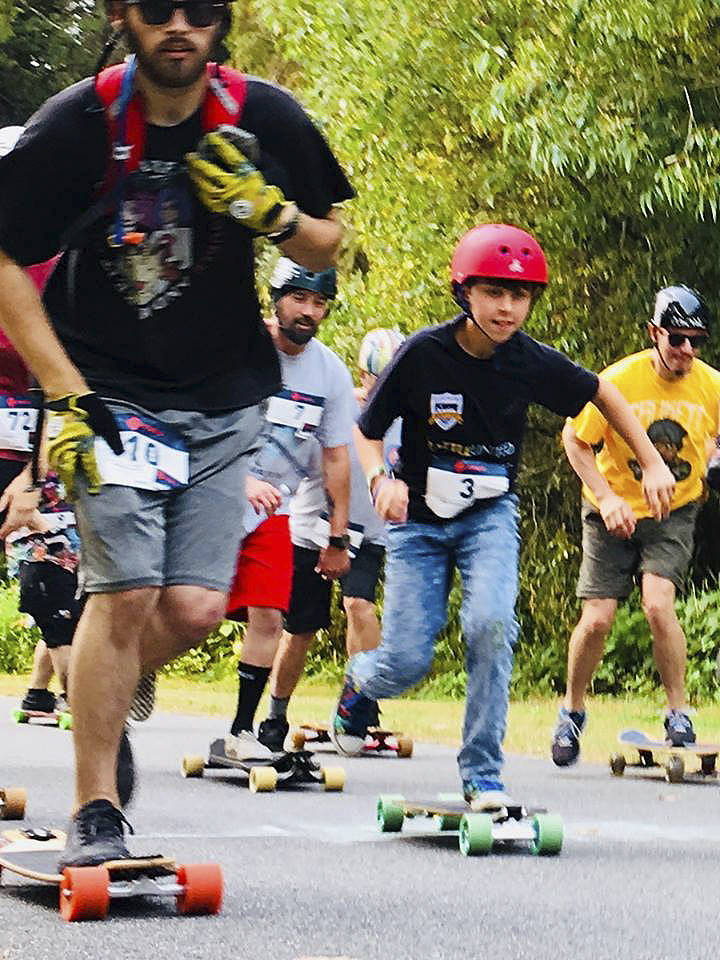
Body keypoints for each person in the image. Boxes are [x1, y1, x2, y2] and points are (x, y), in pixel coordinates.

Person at [0, 1, 352, 866]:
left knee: (194, 608)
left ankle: (105, 689)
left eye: (200, 9)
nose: (180, 26)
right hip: (110, 394)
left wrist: (273, 216)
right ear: (123, 15)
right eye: (159, 9)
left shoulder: (262, 114)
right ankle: (95, 810)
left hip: (225, 398)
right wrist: (64, 391)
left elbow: (329, 240)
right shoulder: (78, 125)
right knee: (125, 593)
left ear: (221, 20)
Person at [330, 223, 675, 809]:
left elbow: (603, 393)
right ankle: (361, 681)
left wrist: (651, 461)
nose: (507, 308)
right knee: (407, 661)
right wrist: (379, 479)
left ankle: (483, 773)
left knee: (490, 627)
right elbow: (365, 431)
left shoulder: (527, 361)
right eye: (494, 292)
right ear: (464, 292)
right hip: (419, 524)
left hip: (488, 517)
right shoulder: (423, 354)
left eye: (519, 295)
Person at [551, 285, 720, 765]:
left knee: (658, 605)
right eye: (677, 339)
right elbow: (575, 440)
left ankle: (678, 713)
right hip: (611, 508)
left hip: (673, 510)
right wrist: (606, 499)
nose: (686, 350)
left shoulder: (711, 385)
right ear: (654, 333)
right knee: (598, 618)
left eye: (696, 341)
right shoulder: (618, 381)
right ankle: (572, 711)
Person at [224, 258, 353, 759]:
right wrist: (241, 478)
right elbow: (199, 422)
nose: (308, 311)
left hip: (271, 511)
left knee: (270, 619)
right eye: (299, 298)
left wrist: (337, 536)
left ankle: (240, 732)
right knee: (188, 613)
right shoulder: (239, 348)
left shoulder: (330, 372)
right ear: (276, 299)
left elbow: (336, 456)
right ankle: (128, 676)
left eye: (319, 303)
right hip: (212, 495)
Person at [256, 326, 404, 751]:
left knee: (360, 606)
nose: (384, 389)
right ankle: (275, 714)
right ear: (364, 375)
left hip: (369, 533)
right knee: (300, 630)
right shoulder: (340, 406)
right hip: (313, 527)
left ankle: (357, 703)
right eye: (378, 379)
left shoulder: (409, 422)